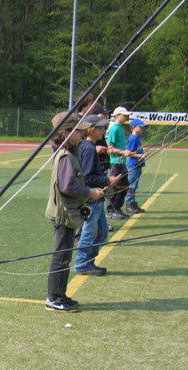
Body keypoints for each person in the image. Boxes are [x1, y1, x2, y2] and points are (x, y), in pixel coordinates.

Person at [45, 112, 104, 312]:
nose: (82, 133)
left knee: (65, 255)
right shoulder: (65, 156)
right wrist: (89, 192)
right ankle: (54, 297)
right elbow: (66, 186)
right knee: (61, 256)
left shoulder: (70, 153)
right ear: (66, 132)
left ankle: (60, 294)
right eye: (78, 130)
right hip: (64, 214)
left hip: (68, 212)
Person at [74, 115, 116, 276]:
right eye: (100, 128)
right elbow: (86, 177)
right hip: (91, 198)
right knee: (89, 233)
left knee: (102, 232)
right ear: (90, 129)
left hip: (97, 198)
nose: (103, 131)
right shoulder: (88, 148)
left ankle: (88, 262)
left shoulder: (89, 146)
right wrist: (107, 179)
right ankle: (82, 264)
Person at [105, 106, 134, 219]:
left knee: (124, 185)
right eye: (124, 115)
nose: (127, 116)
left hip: (121, 161)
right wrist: (123, 152)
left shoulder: (120, 128)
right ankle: (110, 209)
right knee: (115, 186)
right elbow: (109, 147)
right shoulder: (114, 129)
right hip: (115, 162)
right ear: (117, 116)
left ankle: (117, 208)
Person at [124, 118, 149, 214]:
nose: (142, 128)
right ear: (133, 127)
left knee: (135, 185)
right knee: (132, 185)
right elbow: (129, 152)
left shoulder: (137, 138)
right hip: (133, 165)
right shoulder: (132, 138)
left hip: (138, 165)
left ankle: (132, 202)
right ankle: (129, 204)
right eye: (140, 127)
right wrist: (140, 155)